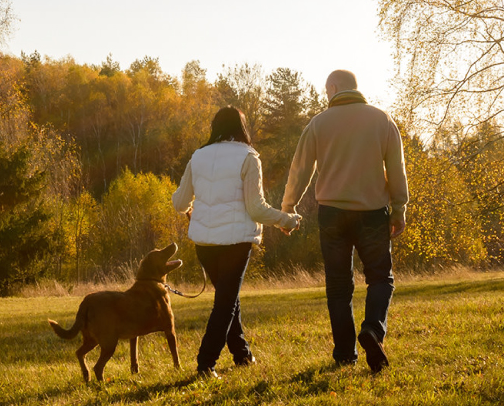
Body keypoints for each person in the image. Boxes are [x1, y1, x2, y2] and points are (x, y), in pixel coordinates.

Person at [281, 69, 409, 373]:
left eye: (327, 91)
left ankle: (344, 354)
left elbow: (300, 170)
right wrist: (399, 207)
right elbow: (396, 167)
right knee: (380, 278)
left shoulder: (318, 123)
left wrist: (288, 207)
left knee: (338, 286)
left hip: (332, 214)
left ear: (333, 88)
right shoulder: (381, 119)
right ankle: (373, 330)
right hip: (372, 213)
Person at [172, 106, 301, 379]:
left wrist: (195, 205)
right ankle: (205, 364)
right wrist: (286, 220)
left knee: (227, 298)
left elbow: (180, 203)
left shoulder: (198, 156)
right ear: (242, 127)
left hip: (204, 244)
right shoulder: (249, 156)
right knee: (226, 303)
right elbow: (256, 208)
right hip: (235, 243)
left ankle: (242, 353)